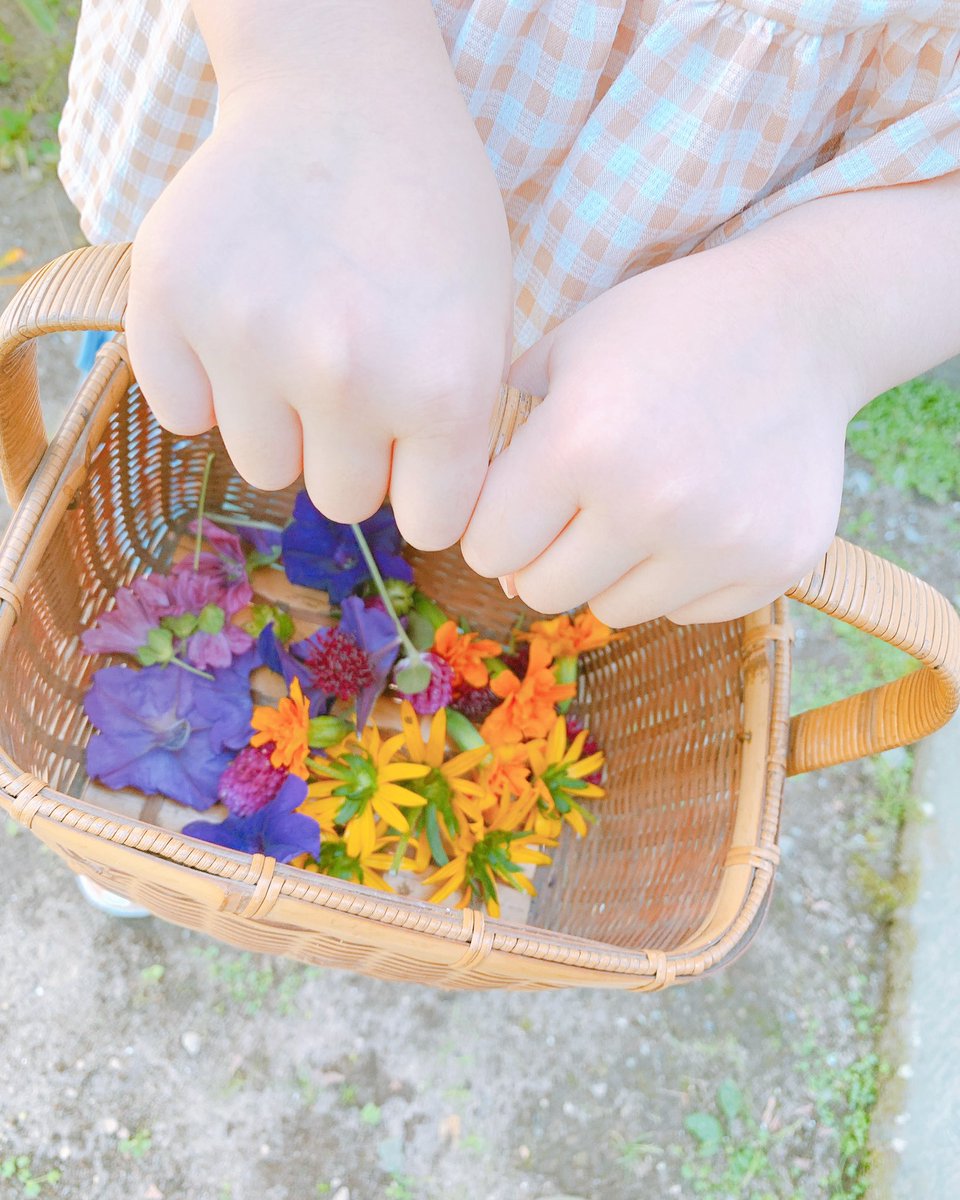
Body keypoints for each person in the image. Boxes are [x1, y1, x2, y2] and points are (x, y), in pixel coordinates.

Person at [59, 0, 960, 632]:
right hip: (283, 123)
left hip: (695, 321)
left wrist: (824, 315)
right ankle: (136, 666)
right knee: (167, 399)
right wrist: (315, 70)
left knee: (599, 523)